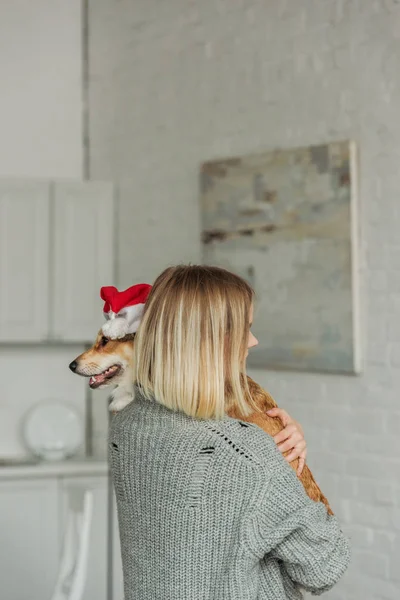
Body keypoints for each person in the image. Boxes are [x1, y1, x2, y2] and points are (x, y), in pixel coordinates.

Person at [109, 264, 350, 600]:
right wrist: (290, 462)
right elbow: (325, 566)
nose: (253, 341)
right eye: (245, 329)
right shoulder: (245, 453)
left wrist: (265, 435)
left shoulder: (127, 423)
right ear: (209, 341)